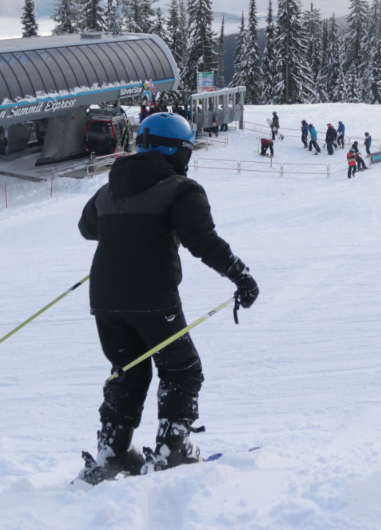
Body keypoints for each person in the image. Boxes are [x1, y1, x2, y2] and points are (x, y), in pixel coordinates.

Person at [77, 112, 259, 484]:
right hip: (152, 297)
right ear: (179, 151)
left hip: (106, 299)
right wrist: (241, 277)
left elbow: (87, 227)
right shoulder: (180, 189)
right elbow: (202, 241)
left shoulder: (108, 188)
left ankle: (111, 452)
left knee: (129, 370)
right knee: (182, 369)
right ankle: (172, 449)